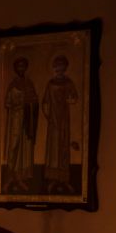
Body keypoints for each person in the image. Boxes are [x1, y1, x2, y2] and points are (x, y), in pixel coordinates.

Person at [41, 55, 79, 193]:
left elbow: (74, 97)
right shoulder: (50, 84)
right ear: (54, 68)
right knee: (53, 149)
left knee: (63, 147)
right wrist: (48, 116)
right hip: (53, 121)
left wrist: (70, 99)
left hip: (63, 120)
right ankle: (52, 180)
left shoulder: (68, 82)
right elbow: (45, 102)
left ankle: (64, 180)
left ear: (65, 68)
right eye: (57, 66)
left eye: (62, 66)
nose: (59, 68)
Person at [3, 57, 38, 191]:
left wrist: (31, 103)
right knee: (13, 148)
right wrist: (18, 104)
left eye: (23, 66)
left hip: (27, 121)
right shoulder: (13, 85)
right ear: (15, 68)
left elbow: (34, 100)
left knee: (24, 149)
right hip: (15, 121)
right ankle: (10, 177)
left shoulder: (29, 83)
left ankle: (20, 179)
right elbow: (8, 103)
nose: (21, 69)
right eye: (19, 66)